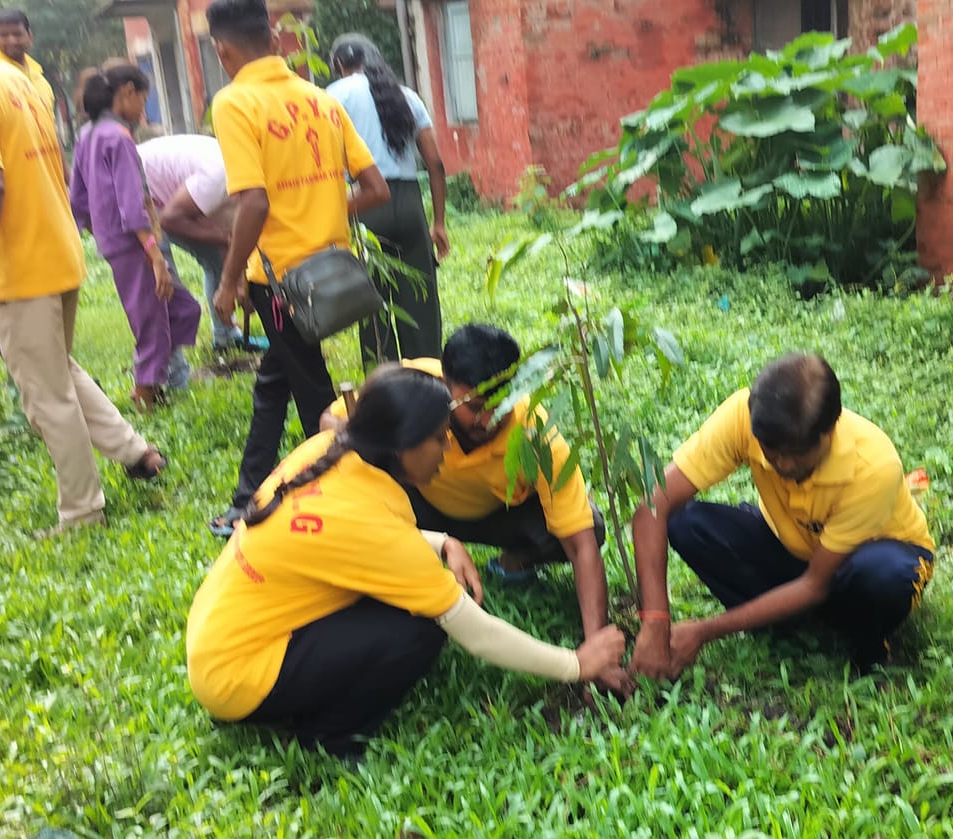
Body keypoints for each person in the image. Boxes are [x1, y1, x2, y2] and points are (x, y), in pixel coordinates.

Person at [185, 365, 626, 756]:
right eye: (438, 438)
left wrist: (442, 542)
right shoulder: (371, 525)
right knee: (420, 629)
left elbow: (349, 537)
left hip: (218, 636)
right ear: (403, 446)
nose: (446, 449)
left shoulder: (326, 450)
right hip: (239, 676)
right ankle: (330, 736)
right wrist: (576, 664)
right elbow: (475, 631)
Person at [0, 0, 166, 535]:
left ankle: (82, 513)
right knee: (57, 371)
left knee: (45, 395)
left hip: (19, 261)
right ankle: (136, 453)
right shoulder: (12, 76)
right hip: (55, 248)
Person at [321, 326, 629, 695]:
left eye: (501, 404)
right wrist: (363, 438)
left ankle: (512, 563)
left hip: (497, 515)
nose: (488, 420)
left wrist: (596, 649)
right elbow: (330, 420)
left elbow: (581, 545)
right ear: (445, 384)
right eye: (475, 408)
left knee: (591, 525)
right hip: (419, 505)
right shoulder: (413, 388)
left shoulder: (536, 433)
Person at [204, 0, 389, 538]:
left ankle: (353, 496)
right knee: (275, 382)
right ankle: (247, 496)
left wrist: (229, 280)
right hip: (329, 271)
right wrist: (325, 211)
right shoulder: (319, 98)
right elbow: (375, 188)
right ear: (272, 38)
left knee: (316, 400)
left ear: (222, 49)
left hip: (283, 282)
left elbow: (254, 202)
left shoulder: (234, 102)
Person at [630, 353, 936, 677]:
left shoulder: (874, 468)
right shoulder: (742, 418)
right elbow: (653, 506)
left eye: (798, 453)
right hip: (797, 549)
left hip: (868, 560)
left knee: (881, 577)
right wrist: (655, 622)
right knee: (687, 524)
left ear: (830, 430)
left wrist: (704, 631)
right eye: (772, 453)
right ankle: (792, 622)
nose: (785, 465)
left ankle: (868, 645)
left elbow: (814, 584)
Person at [69, 65, 198, 410]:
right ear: (128, 92)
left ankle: (160, 380)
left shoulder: (86, 134)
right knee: (151, 321)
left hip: (115, 240)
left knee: (181, 308)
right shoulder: (118, 138)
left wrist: (99, 230)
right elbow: (132, 203)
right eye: (143, 99)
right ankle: (145, 397)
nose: (143, 109)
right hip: (135, 243)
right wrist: (155, 256)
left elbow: (77, 198)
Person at [326, 33, 448, 363]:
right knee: (421, 304)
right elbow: (435, 164)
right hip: (409, 205)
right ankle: (427, 376)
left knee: (372, 307)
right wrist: (438, 223)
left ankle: (384, 381)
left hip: (363, 203)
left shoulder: (332, 97)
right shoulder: (406, 95)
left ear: (339, 64)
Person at [139, 133, 262, 353]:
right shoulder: (220, 177)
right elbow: (169, 220)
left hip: (174, 198)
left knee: (218, 261)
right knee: (164, 282)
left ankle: (225, 336)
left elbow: (232, 245)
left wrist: (239, 283)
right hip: (142, 198)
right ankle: (172, 367)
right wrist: (225, 239)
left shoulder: (243, 180)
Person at [0, 8, 54, 117]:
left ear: (30, 36)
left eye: (17, 34)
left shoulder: (40, 79)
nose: (12, 41)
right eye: (4, 35)